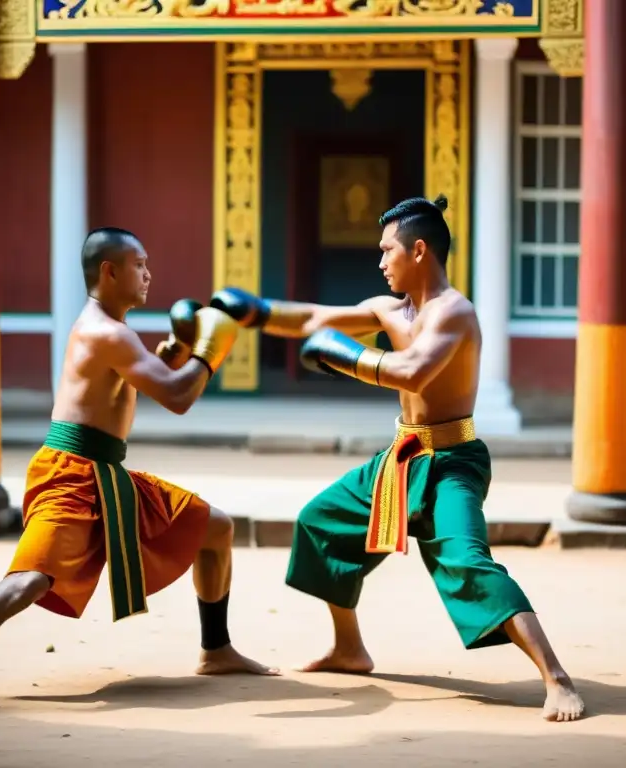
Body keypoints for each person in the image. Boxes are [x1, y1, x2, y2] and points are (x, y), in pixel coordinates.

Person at [210, 196, 586, 722]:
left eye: (388, 250)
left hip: (453, 461)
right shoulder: (390, 308)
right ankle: (349, 649)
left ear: (419, 249)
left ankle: (557, 678)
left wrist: (348, 358)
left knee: (468, 562)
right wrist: (255, 311)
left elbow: (413, 371)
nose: (381, 261)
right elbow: (316, 317)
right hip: (401, 456)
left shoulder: (454, 312)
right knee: (321, 522)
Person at [0, 227, 278, 717]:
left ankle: (215, 650)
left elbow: (138, 383)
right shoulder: (106, 332)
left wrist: (176, 352)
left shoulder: (111, 329)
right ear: (109, 271)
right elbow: (177, 397)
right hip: (69, 473)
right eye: (139, 264)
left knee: (214, 528)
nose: (148, 273)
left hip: (106, 474)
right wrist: (211, 350)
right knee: (25, 583)